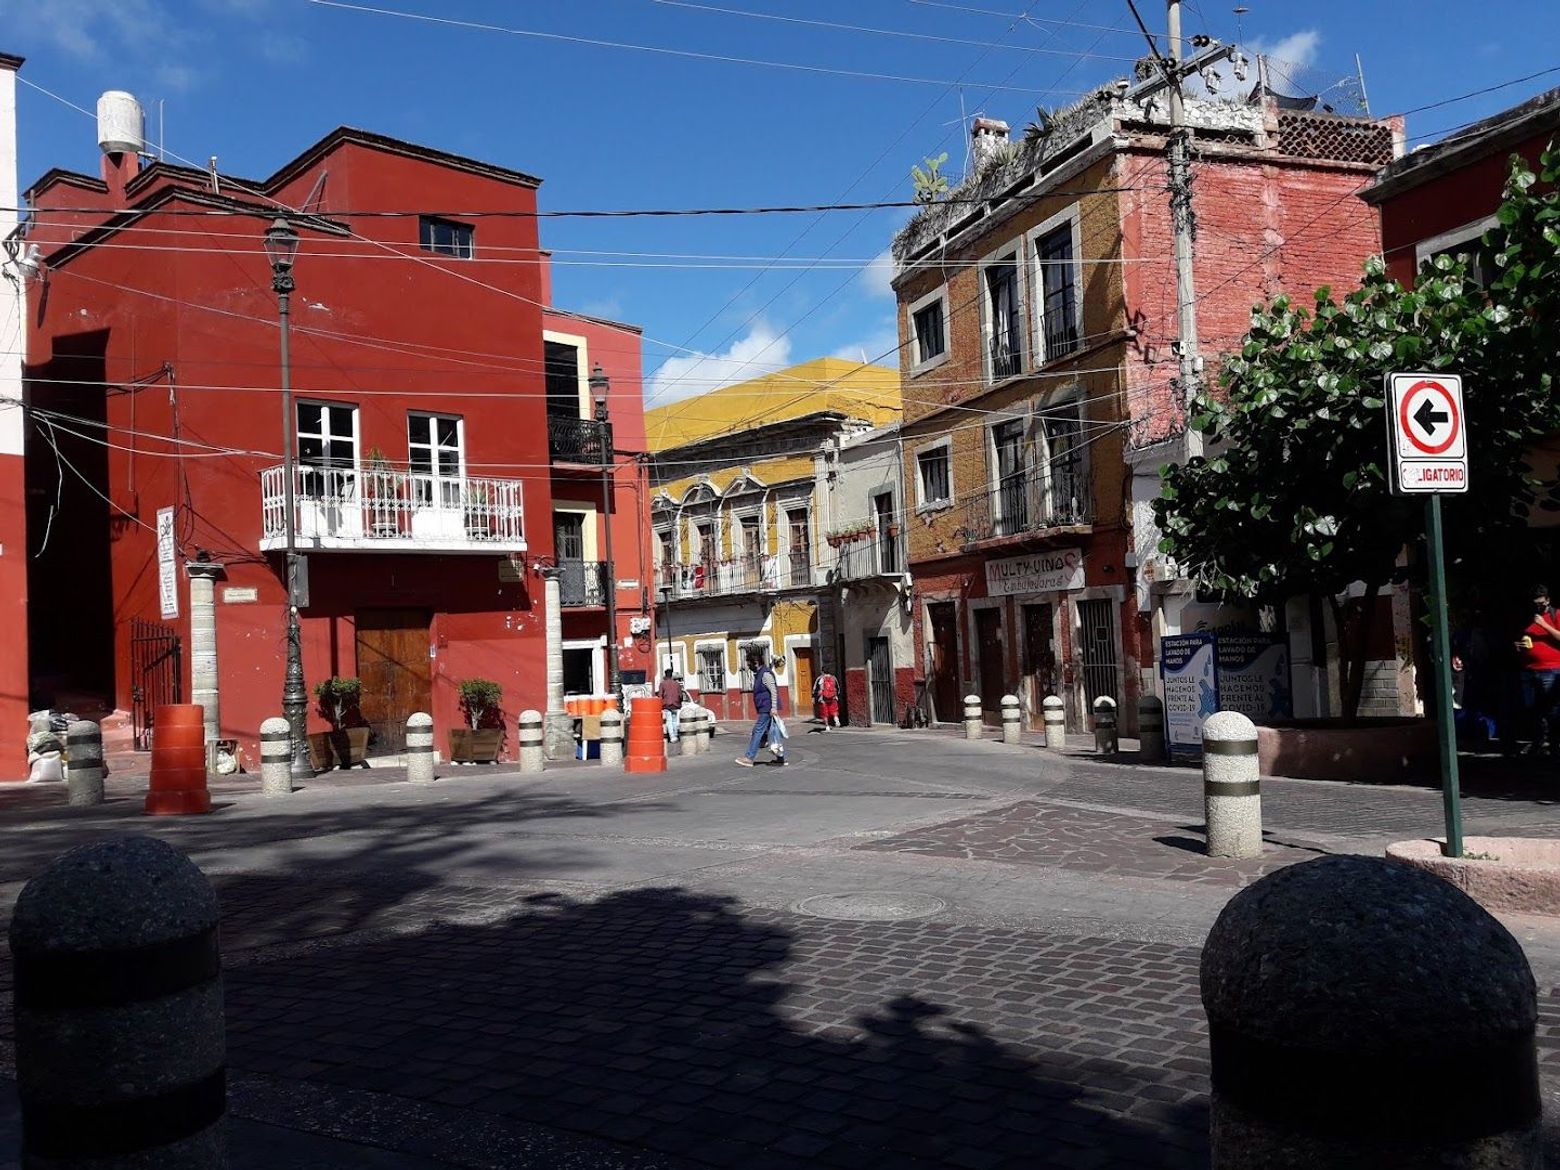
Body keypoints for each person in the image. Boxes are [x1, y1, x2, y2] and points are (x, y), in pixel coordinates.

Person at [1515, 584, 1560, 754]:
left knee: (1553, 708)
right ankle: (1537, 741)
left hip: (1551, 668)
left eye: (1541, 604)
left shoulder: (1556, 615)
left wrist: (1544, 625)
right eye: (1535, 604)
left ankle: (1554, 743)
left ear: (1548, 600)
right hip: (1529, 668)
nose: (1538, 607)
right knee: (1533, 708)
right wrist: (1519, 646)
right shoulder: (1529, 618)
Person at [736, 651, 781, 767]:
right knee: (773, 733)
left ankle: (749, 757)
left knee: (758, 731)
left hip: (768, 708)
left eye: (749, 664)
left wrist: (774, 708)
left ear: (755, 663)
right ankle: (780, 757)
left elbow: (774, 691)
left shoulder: (765, 674)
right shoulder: (761, 673)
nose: (748, 666)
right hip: (765, 707)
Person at [657, 668, 686, 743]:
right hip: (675, 705)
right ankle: (676, 735)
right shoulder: (676, 684)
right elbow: (680, 695)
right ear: (671, 675)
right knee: (674, 721)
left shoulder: (662, 684)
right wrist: (679, 702)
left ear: (665, 675)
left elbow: (660, 695)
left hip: (666, 705)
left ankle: (672, 737)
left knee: (669, 721)